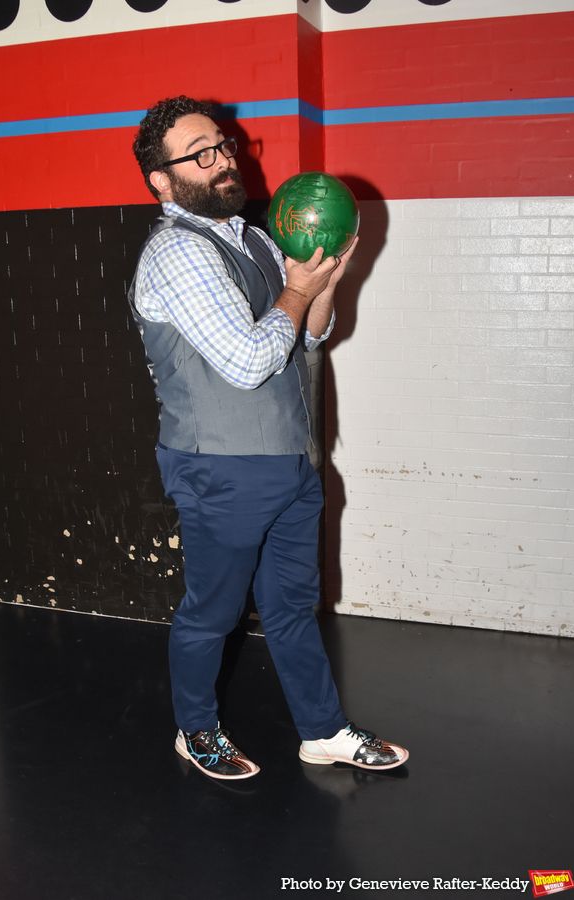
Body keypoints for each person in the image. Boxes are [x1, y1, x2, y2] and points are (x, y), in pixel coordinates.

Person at [130, 95, 409, 780]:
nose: (222, 158)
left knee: (290, 608)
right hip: (218, 470)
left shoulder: (255, 239)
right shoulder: (176, 253)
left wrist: (325, 284)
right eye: (200, 152)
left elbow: (310, 337)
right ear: (161, 181)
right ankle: (195, 729)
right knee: (213, 614)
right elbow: (251, 360)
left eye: (223, 144)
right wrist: (296, 289)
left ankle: (323, 731)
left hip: (290, 461)